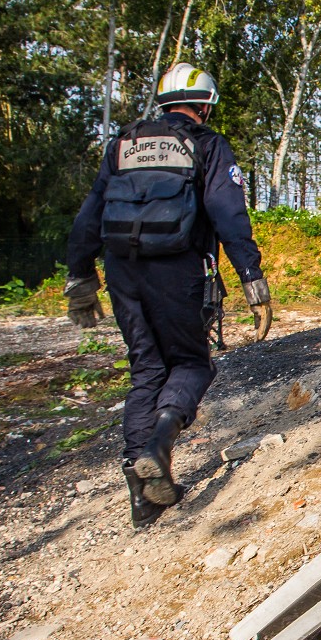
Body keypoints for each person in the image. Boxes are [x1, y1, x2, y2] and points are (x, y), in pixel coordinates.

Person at [63, 63, 272, 528]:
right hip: (179, 270)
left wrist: (80, 275)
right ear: (204, 106)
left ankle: (143, 499)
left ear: (163, 103)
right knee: (192, 363)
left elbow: (89, 214)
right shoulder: (207, 144)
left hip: (122, 272)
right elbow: (227, 213)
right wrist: (251, 277)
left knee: (147, 370)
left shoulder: (123, 144)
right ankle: (159, 443)